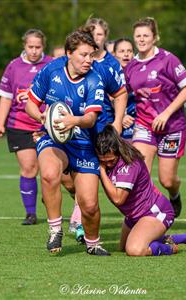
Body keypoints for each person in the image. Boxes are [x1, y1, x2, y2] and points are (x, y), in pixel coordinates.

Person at [26, 26, 110, 256]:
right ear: (68, 53)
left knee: (90, 205)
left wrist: (74, 120)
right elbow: (30, 103)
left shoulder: (94, 79)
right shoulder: (50, 70)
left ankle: (93, 243)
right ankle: (55, 230)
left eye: (92, 55)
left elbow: (91, 119)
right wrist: (42, 117)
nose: (88, 60)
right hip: (54, 139)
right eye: (83, 55)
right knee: (50, 174)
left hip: (83, 143)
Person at [95, 125, 186, 256]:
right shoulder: (109, 156)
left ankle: (170, 248)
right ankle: (181, 238)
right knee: (123, 248)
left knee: (135, 250)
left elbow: (118, 199)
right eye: (103, 161)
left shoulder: (129, 163)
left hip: (155, 211)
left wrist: (101, 170)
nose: (107, 164)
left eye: (110, 161)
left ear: (118, 151)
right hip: (133, 216)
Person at [124, 17, 186, 218]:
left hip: (172, 127)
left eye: (146, 35)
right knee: (140, 173)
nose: (142, 39)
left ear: (155, 37)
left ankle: (174, 193)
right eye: (138, 36)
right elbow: (121, 95)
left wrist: (166, 113)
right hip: (144, 125)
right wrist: (121, 117)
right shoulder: (131, 66)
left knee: (167, 179)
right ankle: (147, 214)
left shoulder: (168, 59)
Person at [65, 18, 128, 239]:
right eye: (91, 33)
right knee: (70, 179)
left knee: (100, 176)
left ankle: (84, 222)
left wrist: (118, 122)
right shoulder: (74, 63)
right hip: (77, 129)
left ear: (105, 37)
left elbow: (120, 94)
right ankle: (80, 212)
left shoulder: (110, 65)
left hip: (102, 129)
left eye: (100, 34)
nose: (96, 37)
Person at [0, 29, 52, 225]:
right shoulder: (13, 67)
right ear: (24, 46)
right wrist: (0, 124)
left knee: (49, 171)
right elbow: (6, 97)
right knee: (29, 168)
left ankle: (49, 197)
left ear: (43, 46)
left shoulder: (51, 64)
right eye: (30, 47)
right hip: (19, 124)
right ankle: (30, 213)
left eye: (38, 47)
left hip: (46, 124)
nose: (34, 51)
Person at [113, 38, 135, 141]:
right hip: (114, 127)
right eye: (122, 51)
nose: (126, 54)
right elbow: (106, 100)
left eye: (129, 51)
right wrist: (121, 116)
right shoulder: (109, 75)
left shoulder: (139, 75)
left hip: (137, 128)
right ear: (114, 54)